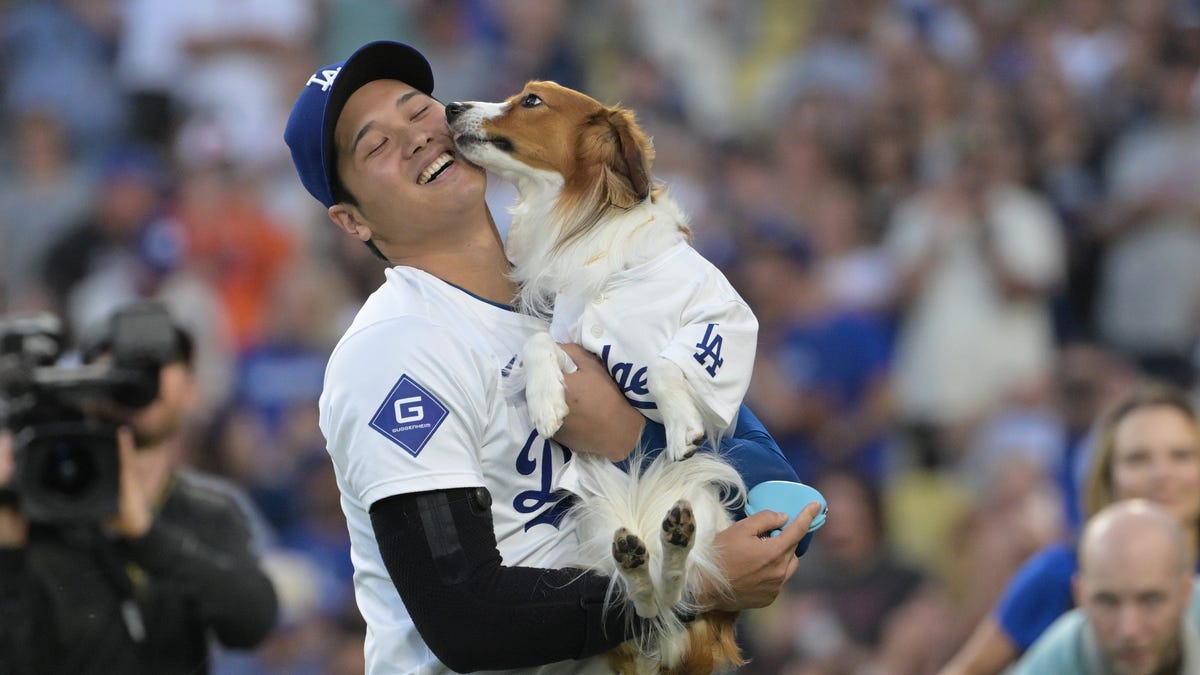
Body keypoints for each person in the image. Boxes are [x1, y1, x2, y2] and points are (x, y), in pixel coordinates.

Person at [283, 40, 818, 673]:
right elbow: (465, 618)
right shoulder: (396, 348)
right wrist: (689, 586)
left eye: (417, 109)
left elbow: (771, 493)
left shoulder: (578, 277)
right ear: (351, 221)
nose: (416, 137)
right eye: (375, 145)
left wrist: (634, 438)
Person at [0, 307, 279, 674]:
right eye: (116, 365)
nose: (137, 380)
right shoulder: (36, 506)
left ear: (191, 390)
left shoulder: (208, 511)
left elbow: (251, 623)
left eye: (159, 364)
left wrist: (147, 535)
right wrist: (7, 553)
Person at [940, 381, 1200, 674]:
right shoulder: (1057, 574)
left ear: (1184, 591)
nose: (1162, 474)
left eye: (1181, 455)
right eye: (1137, 459)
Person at [1014, 499, 1200, 674]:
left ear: (1185, 592)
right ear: (1080, 595)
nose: (1129, 630)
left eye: (1151, 601)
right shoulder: (1062, 655)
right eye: (1108, 602)